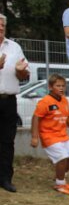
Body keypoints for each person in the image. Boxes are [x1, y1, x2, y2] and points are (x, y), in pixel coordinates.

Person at [30, 74, 69, 195]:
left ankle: (60, 175)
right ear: (50, 87)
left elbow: (67, 117)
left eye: (63, 86)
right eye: (58, 86)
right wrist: (35, 137)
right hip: (49, 135)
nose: (61, 88)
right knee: (62, 158)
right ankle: (60, 184)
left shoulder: (64, 100)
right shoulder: (45, 102)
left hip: (62, 135)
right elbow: (35, 118)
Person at [0, 13, 29, 193]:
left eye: (3, 25)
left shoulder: (14, 47)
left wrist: (20, 71)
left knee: (7, 141)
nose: (1, 28)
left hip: (8, 100)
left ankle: (5, 179)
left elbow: (24, 75)